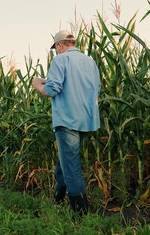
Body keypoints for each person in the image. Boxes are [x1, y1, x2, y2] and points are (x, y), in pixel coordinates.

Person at [32, 30, 101, 217]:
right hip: (87, 121)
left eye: (56, 48)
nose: (56, 51)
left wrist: (37, 84)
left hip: (67, 120)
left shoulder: (60, 60)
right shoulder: (90, 62)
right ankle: (57, 199)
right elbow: (96, 88)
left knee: (71, 166)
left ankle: (81, 214)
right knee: (65, 161)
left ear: (60, 45)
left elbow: (52, 90)